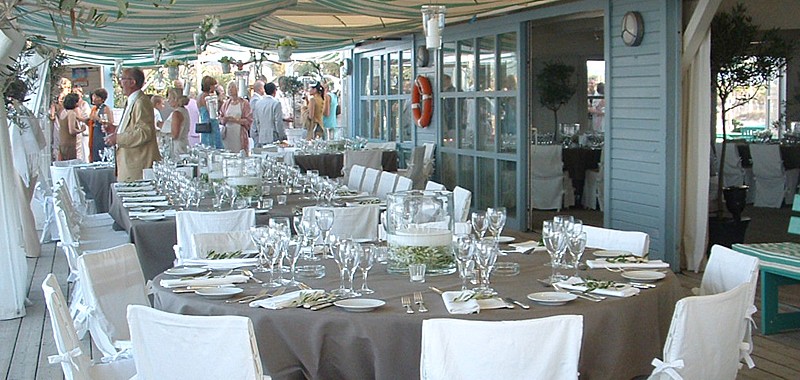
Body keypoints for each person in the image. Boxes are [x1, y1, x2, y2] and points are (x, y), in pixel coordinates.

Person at [104, 67, 161, 181]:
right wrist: (115, 129)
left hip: (138, 164)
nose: (120, 83)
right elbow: (133, 127)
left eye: (122, 79)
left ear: (132, 82)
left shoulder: (141, 102)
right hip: (129, 163)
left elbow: (144, 133)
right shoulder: (132, 100)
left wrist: (118, 138)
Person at [220, 81, 253, 153]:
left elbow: (249, 120)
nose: (230, 89)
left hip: (239, 134)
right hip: (228, 134)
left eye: (232, 87)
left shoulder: (244, 103)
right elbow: (221, 117)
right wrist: (224, 119)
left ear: (237, 89)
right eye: (228, 87)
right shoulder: (226, 104)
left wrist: (235, 120)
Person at [87, 88, 114, 162]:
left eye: (96, 97)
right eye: (93, 96)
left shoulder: (106, 109)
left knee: (102, 155)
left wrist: (98, 119)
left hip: (102, 136)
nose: (94, 99)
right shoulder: (94, 109)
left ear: (102, 99)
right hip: (95, 136)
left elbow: (110, 123)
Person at [198, 76, 223, 148]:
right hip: (210, 124)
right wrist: (219, 102)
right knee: (213, 145)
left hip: (204, 123)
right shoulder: (206, 97)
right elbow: (212, 111)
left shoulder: (199, 96)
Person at [57, 93, 85, 160]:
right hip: (70, 144)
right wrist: (81, 130)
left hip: (62, 143)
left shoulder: (63, 112)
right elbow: (72, 131)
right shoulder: (71, 113)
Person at [165, 88, 190, 157]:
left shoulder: (177, 113)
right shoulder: (184, 110)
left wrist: (162, 135)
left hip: (177, 147)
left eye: (170, 98)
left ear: (176, 99)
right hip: (183, 144)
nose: (168, 100)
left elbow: (175, 135)